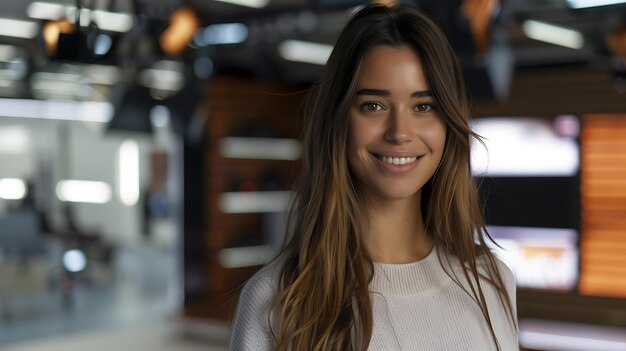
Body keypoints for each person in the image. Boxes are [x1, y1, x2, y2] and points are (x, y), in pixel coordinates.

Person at [230, 4, 518, 350]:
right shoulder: (275, 300)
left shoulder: (491, 280)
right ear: (338, 120)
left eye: (423, 106)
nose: (400, 132)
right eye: (373, 105)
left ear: (448, 123)